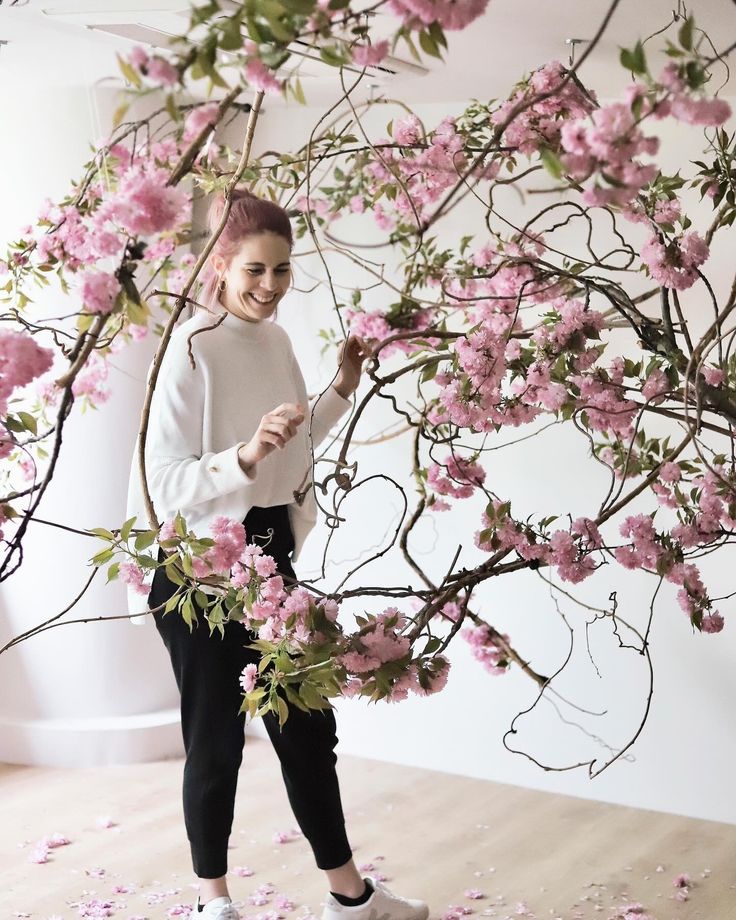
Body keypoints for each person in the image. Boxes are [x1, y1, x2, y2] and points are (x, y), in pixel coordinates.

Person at [125, 189, 430, 920]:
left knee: (307, 727)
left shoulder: (278, 342)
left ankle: (350, 898)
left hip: (266, 554)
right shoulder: (191, 349)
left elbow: (290, 434)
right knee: (217, 739)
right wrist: (243, 452)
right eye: (255, 270)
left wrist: (341, 388)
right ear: (220, 264)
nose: (269, 286)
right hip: (196, 565)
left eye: (282, 271)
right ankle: (215, 905)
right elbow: (161, 480)